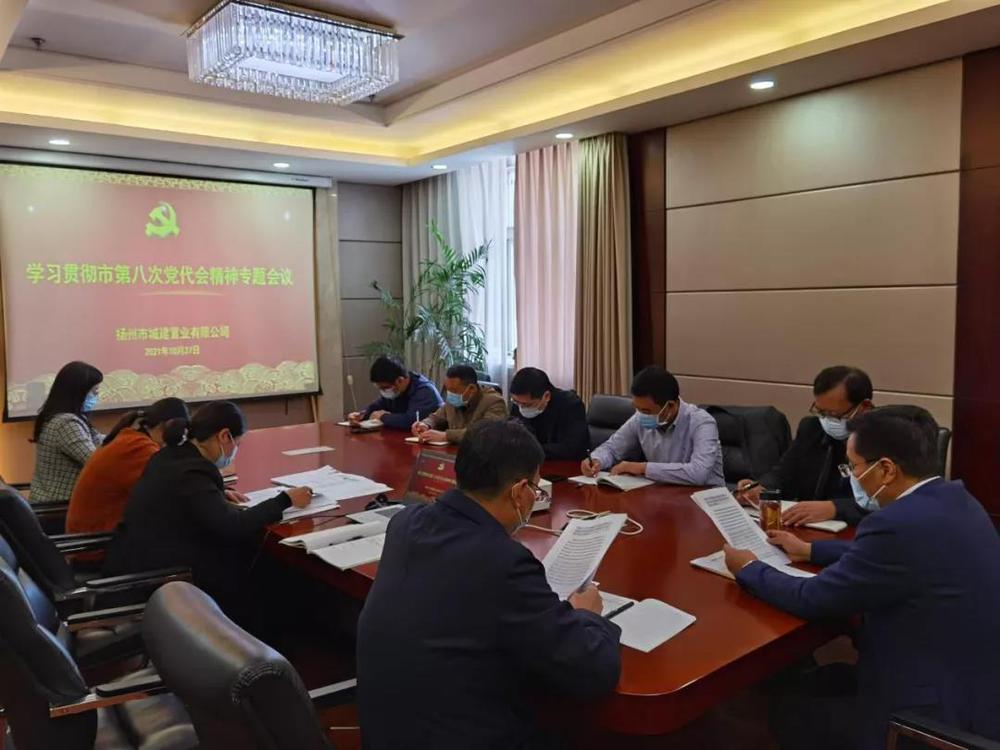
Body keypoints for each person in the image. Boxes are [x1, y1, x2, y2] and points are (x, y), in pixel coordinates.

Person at [723, 406, 1000, 750]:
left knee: (791, 714)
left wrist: (749, 568)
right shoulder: (956, 499)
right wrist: (811, 550)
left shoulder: (895, 525)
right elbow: (898, 557)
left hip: (932, 714)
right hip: (977, 686)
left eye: (852, 466)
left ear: (886, 469)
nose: (851, 476)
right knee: (822, 678)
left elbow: (812, 598)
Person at [358, 420, 621, 749]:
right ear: (519, 491)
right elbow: (592, 671)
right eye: (536, 489)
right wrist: (589, 616)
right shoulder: (503, 561)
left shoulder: (404, 523)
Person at [103, 401, 313, 626]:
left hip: (134, 558)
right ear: (224, 436)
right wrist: (285, 500)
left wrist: (216, 493)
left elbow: (188, 499)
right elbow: (233, 525)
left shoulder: (170, 456)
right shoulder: (193, 473)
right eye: (238, 443)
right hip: (162, 576)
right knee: (260, 565)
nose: (236, 451)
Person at [735, 366, 874, 526]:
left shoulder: (887, 439)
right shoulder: (811, 428)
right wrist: (761, 488)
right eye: (821, 412)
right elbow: (783, 474)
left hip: (858, 529)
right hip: (806, 526)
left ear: (864, 407)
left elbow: (888, 502)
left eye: (834, 415)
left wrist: (836, 508)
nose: (826, 420)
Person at [66, 397, 191, 540]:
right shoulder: (139, 448)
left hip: (97, 535)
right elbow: (165, 495)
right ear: (170, 426)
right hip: (98, 542)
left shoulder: (131, 438)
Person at [580, 366, 724, 486]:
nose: (641, 415)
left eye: (647, 411)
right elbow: (612, 448)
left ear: (670, 406)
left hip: (707, 500)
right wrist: (596, 460)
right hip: (665, 496)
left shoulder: (702, 423)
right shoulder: (640, 417)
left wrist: (642, 468)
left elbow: (698, 473)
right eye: (638, 408)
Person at [29, 361, 105, 505]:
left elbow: (100, 439)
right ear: (78, 392)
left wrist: (125, 437)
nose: (97, 396)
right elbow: (95, 461)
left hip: (57, 502)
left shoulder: (68, 417)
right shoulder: (66, 423)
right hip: (58, 505)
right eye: (94, 392)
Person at [412, 364, 507, 445]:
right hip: (452, 453)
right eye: (447, 390)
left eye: (453, 390)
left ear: (472, 389)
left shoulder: (494, 402)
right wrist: (425, 424)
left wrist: (446, 436)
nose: (450, 394)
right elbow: (435, 417)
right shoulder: (453, 400)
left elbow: (485, 433)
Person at [508, 367, 589, 461]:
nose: (521, 408)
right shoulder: (519, 403)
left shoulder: (571, 405)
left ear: (546, 396)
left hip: (564, 465)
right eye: (516, 402)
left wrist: (529, 450)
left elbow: (573, 448)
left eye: (527, 405)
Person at [349, 355, 442, 430]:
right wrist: (362, 415)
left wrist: (383, 417)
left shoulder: (425, 391)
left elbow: (411, 421)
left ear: (400, 380)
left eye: (385, 388)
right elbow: (379, 404)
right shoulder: (395, 390)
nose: (383, 391)